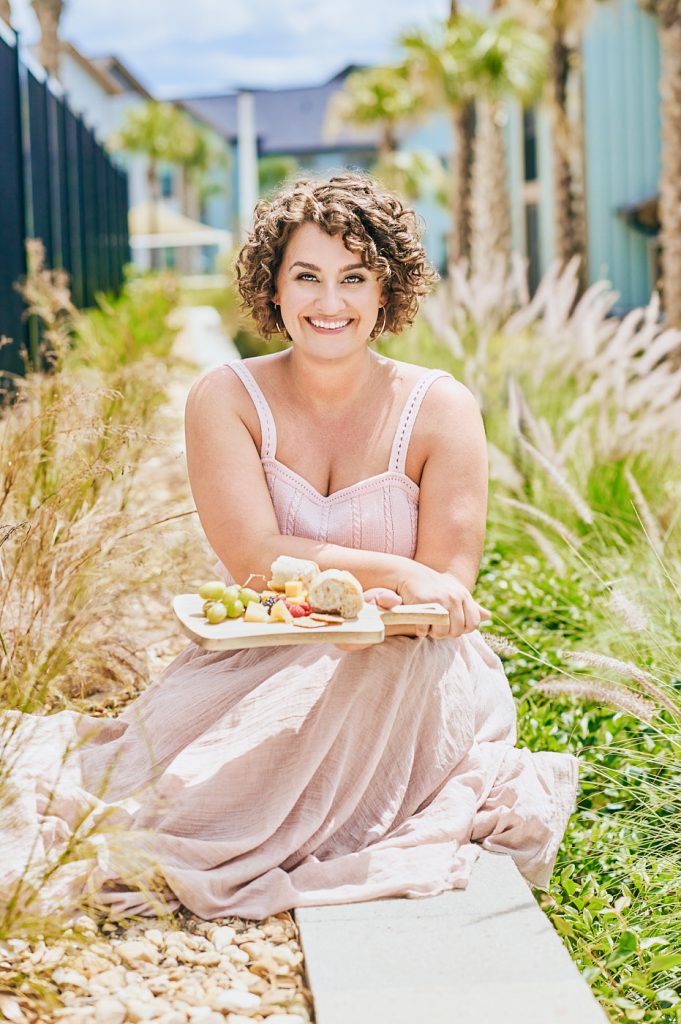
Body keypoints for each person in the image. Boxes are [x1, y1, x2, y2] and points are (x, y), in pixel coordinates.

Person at [0, 173, 579, 922]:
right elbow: (252, 557)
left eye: (353, 278)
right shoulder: (228, 397)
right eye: (305, 277)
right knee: (154, 790)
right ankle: (213, 824)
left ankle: (242, 834)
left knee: (369, 670)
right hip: (256, 651)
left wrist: (403, 592)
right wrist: (395, 570)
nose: (328, 303)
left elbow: (445, 587)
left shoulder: (439, 407)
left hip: (403, 657)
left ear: (386, 291)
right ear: (272, 289)